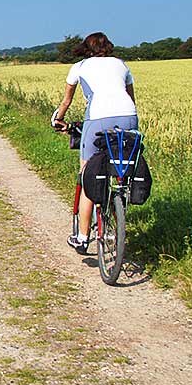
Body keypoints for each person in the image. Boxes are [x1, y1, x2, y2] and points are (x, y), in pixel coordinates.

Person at [50, 32, 138, 252]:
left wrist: (58, 119)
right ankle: (117, 217)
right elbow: (131, 98)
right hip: (129, 116)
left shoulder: (79, 67)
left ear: (86, 48)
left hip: (97, 118)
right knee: (121, 167)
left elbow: (66, 101)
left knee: (88, 174)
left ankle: (82, 236)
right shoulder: (121, 64)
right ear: (108, 46)